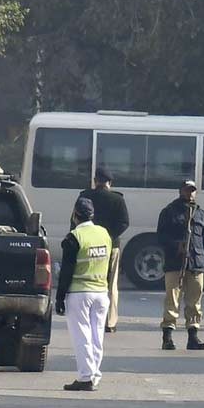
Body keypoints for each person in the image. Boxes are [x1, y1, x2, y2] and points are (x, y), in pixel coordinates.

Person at [55, 197, 113, 391]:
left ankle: (85, 377)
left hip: (80, 293)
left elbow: (66, 271)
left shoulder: (74, 237)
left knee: (82, 337)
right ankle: (94, 374)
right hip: (101, 292)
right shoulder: (104, 234)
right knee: (97, 337)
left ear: (75, 214)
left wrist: (59, 297)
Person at [157, 180, 204, 350]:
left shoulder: (200, 213)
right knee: (172, 300)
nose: (190, 193)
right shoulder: (169, 212)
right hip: (175, 263)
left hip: (196, 262)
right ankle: (167, 338)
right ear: (180, 191)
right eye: (187, 190)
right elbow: (160, 237)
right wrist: (176, 245)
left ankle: (193, 337)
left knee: (194, 301)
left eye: (192, 191)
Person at [78, 167, 129, 332]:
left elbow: (75, 221)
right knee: (111, 284)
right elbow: (124, 223)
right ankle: (109, 322)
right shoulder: (117, 199)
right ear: (110, 182)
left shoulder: (85, 196)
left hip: (87, 246)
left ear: (95, 181)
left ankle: (88, 317)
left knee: (88, 281)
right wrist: (108, 237)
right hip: (111, 247)